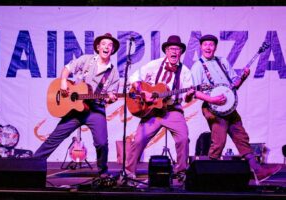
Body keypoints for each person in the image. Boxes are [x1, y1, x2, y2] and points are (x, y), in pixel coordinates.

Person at [190, 34, 281, 182]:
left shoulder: (222, 61)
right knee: (219, 140)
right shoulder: (197, 66)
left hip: (229, 105)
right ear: (201, 47)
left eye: (211, 44)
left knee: (241, 136)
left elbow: (234, 85)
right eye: (205, 44)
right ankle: (209, 177)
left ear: (215, 47)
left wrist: (243, 77)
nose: (208, 47)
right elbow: (195, 92)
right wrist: (212, 99)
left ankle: (258, 171)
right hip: (212, 106)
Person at [34, 33, 120, 177]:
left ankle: (103, 174)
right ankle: (33, 165)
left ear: (112, 50)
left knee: (101, 143)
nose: (107, 47)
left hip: (95, 110)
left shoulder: (113, 72)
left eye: (110, 45)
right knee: (55, 137)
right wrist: (63, 81)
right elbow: (67, 68)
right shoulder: (86, 60)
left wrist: (111, 98)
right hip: (75, 109)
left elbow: (112, 95)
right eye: (104, 44)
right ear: (98, 47)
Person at [125, 35, 195, 184]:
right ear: (166, 51)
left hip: (172, 110)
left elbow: (188, 98)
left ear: (181, 52)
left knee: (183, 139)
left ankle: (181, 171)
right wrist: (143, 91)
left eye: (177, 49)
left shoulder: (186, 72)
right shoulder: (154, 65)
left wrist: (189, 95)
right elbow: (134, 77)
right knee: (138, 140)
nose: (174, 51)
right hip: (153, 111)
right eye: (171, 49)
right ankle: (128, 172)